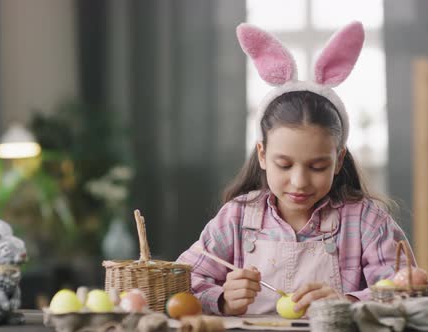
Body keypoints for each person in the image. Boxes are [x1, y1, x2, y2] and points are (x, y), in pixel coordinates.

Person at [177, 21, 414, 316]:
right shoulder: (235, 219)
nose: (299, 181)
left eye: (317, 166)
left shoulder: (366, 221)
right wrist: (221, 298)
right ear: (262, 155)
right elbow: (179, 283)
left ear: (339, 160)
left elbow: (407, 291)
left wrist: (348, 303)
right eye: (284, 164)